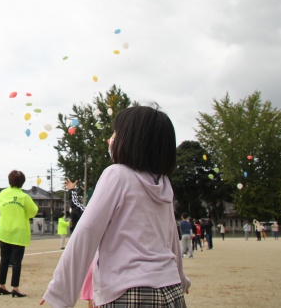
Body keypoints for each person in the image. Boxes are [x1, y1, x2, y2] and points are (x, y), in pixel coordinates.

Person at [41, 105, 191, 307]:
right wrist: (181, 278)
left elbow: (86, 231)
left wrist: (61, 292)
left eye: (114, 133)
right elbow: (171, 237)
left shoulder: (117, 174)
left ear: (132, 141)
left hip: (127, 293)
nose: (109, 139)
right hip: (171, 291)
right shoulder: (164, 184)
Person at [0, 170, 38, 298]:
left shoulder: (3, 193)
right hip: (19, 232)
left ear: (10, 180)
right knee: (16, 261)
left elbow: (0, 208)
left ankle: (2, 286)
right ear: (22, 182)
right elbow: (33, 211)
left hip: (4, 230)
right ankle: (15, 288)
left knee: (4, 259)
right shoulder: (24, 197)